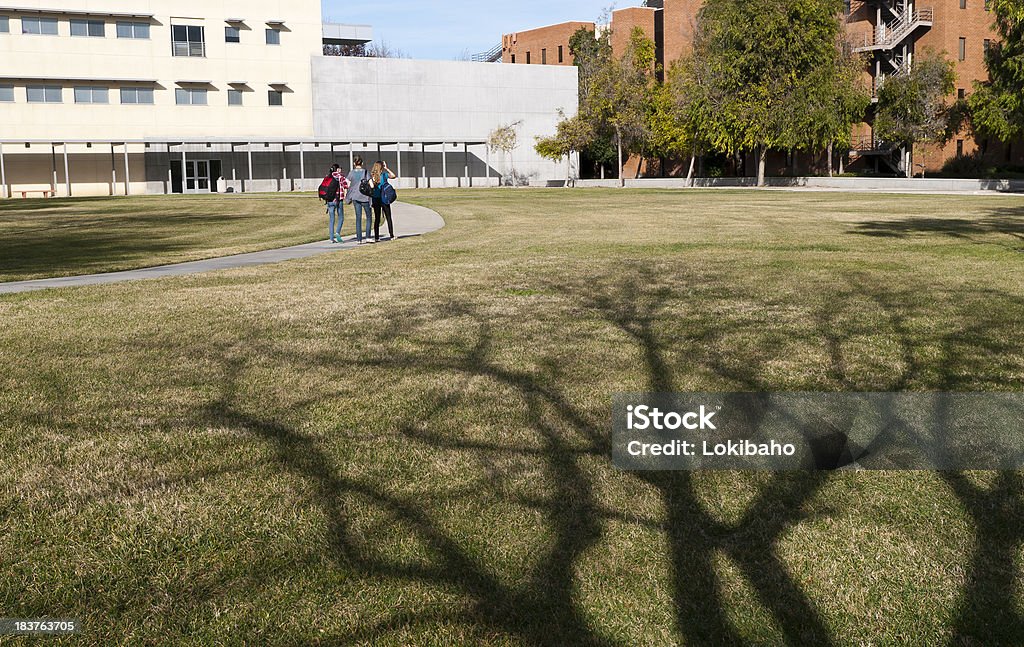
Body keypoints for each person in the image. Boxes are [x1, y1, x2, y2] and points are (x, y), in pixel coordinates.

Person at [345, 157, 373, 244]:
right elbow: (371, 185)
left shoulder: (351, 173)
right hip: (365, 197)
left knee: (358, 218)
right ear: (362, 163)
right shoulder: (366, 172)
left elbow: (347, 185)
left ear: (354, 163)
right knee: (369, 217)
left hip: (355, 197)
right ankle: (368, 237)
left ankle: (359, 239)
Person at [371, 160, 399, 242]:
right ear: (382, 167)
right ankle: (391, 235)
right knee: (388, 217)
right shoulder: (384, 175)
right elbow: (394, 176)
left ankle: (376, 237)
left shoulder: (373, 176)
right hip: (384, 198)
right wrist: (387, 168)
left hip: (375, 199)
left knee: (377, 218)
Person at [325, 164, 349, 243]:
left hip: (330, 200)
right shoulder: (341, 177)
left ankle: (331, 238)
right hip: (339, 199)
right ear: (338, 169)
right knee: (341, 217)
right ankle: (337, 232)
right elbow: (346, 186)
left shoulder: (328, 177)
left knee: (332, 219)